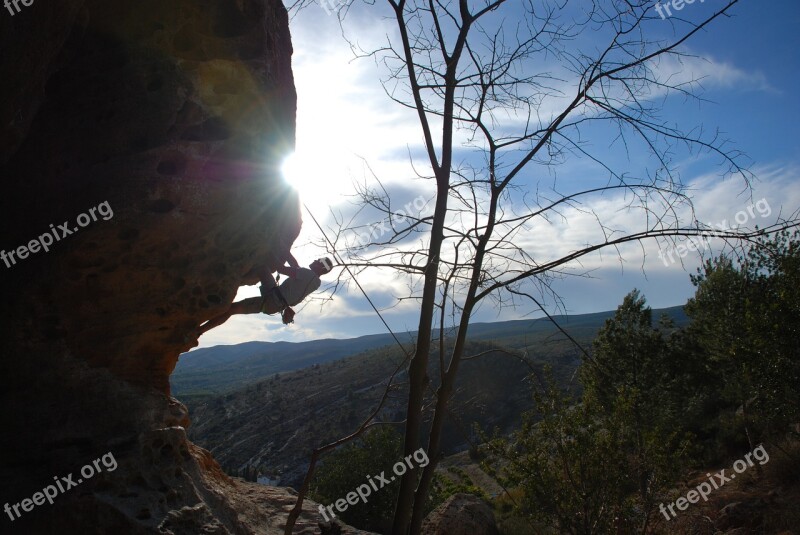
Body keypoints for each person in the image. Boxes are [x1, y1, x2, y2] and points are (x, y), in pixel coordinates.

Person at [195, 257, 333, 337]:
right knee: (262, 270)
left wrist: (273, 256)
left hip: (272, 298)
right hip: (276, 301)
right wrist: (286, 252)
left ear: (321, 267)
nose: (315, 260)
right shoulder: (315, 282)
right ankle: (239, 276)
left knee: (231, 309)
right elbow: (295, 267)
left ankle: (199, 331)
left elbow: (282, 269)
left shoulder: (306, 274)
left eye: (318, 260)